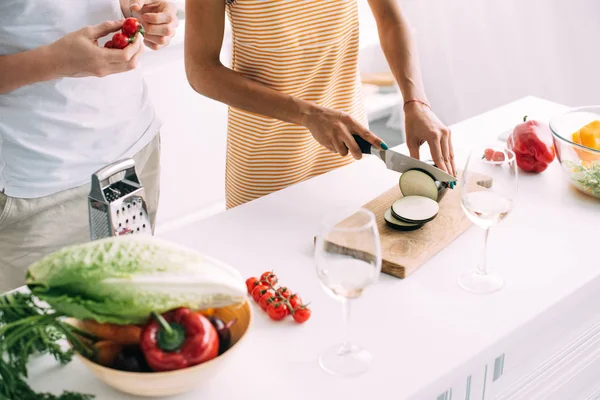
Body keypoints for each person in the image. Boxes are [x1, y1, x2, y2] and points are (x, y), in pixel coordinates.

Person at [184, 0, 456, 209]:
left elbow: (391, 20)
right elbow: (200, 69)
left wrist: (415, 101)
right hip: (267, 170)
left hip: (350, 155)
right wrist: (308, 114)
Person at [0, 0, 178, 292]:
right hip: (40, 190)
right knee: (42, 333)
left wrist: (142, 12)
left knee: (129, 314)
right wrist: (54, 61)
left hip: (134, 153)